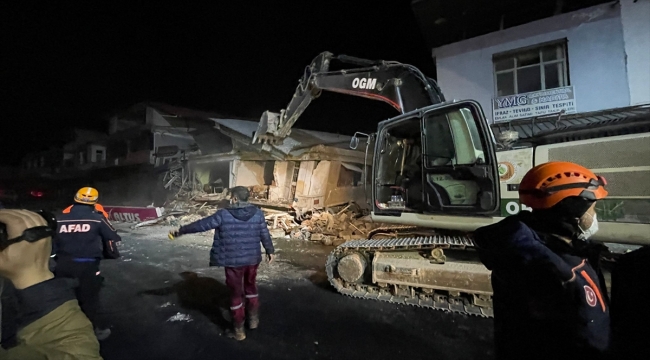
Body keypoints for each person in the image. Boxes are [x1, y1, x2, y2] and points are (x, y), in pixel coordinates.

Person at [474, 161, 610, 360]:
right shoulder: (558, 271)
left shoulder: (522, 251)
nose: (594, 215)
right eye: (592, 209)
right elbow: (588, 337)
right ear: (573, 212)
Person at [169, 186, 275, 341]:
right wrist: (269, 250)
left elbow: (202, 224)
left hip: (233, 262)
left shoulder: (224, 215)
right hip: (252, 260)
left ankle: (238, 330)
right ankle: (253, 320)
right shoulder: (258, 214)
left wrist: (181, 231)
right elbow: (264, 232)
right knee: (251, 287)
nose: (229, 199)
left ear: (235, 199)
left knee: (236, 294)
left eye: (231, 196)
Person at [0, 209, 102, 359]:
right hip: (87, 263)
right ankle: (97, 327)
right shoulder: (97, 218)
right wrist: (32, 274)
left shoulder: (65, 217)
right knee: (89, 297)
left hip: (65, 262)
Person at [53, 188, 122, 341]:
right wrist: (111, 254)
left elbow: (52, 245)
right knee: (90, 300)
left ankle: (62, 332)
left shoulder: (59, 218)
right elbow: (111, 237)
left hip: (63, 265)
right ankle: (98, 330)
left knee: (63, 299)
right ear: (95, 202)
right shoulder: (97, 218)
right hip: (88, 267)